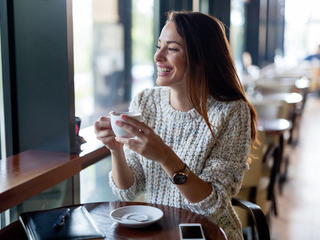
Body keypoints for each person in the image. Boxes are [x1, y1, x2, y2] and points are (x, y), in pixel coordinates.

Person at [94, 11, 258, 239]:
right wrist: (116, 150)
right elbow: (129, 190)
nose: (158, 56)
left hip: (210, 233)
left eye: (171, 49)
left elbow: (214, 204)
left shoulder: (231, 111)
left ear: (201, 58)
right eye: (158, 46)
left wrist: (165, 156)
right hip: (158, 232)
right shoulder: (145, 101)